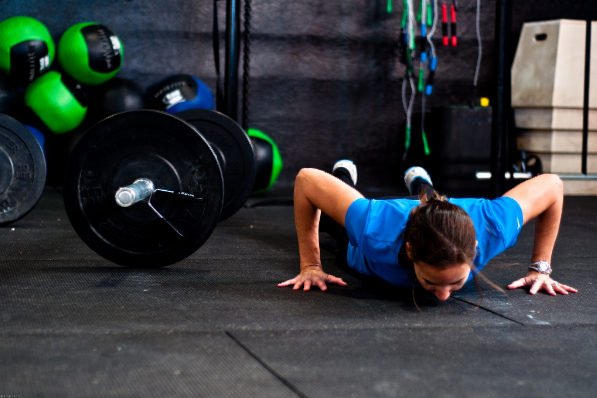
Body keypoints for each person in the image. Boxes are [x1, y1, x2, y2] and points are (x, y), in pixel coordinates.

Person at [278, 160, 578, 301]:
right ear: (410, 252)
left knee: (433, 200)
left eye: (456, 282)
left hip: (439, 209)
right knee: (333, 221)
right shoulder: (373, 229)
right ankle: (343, 172)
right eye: (430, 282)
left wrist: (541, 269)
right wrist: (311, 265)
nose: (443, 297)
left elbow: (552, 185)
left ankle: (420, 180)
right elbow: (306, 179)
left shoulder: (493, 225)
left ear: (475, 247)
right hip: (378, 230)